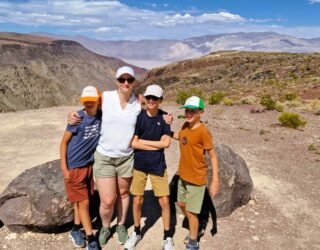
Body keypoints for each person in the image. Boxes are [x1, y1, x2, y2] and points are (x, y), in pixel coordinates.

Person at [69, 66, 172, 248]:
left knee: (124, 194)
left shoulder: (137, 103)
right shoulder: (106, 97)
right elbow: (90, 105)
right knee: (107, 200)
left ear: (134, 82)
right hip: (105, 156)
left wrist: (167, 118)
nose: (126, 83)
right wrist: (73, 115)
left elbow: (153, 109)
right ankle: (106, 227)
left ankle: (122, 225)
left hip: (126, 157)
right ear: (116, 81)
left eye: (130, 80)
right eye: (122, 79)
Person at [124, 85, 175, 250]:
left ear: (160, 100)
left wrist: (142, 143)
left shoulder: (165, 117)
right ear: (145, 98)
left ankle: (167, 237)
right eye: (149, 98)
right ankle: (137, 232)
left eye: (155, 98)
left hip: (157, 165)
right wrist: (157, 145)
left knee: (165, 201)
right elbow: (132, 142)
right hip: (139, 164)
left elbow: (166, 143)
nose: (151, 101)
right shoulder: (139, 117)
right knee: (137, 200)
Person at [171, 96, 219, 250]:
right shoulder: (185, 126)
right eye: (187, 110)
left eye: (193, 110)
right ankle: (196, 228)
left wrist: (215, 180)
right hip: (183, 176)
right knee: (181, 204)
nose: (189, 113)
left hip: (197, 179)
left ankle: (193, 242)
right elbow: (181, 137)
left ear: (201, 113)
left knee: (191, 213)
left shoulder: (203, 132)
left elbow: (212, 155)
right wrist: (167, 130)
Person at [60, 86, 101, 250]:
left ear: (98, 101)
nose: (89, 104)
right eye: (86, 102)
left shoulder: (101, 116)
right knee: (83, 202)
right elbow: (63, 143)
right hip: (74, 167)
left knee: (80, 201)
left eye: (92, 101)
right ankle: (91, 238)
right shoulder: (77, 118)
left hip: (88, 166)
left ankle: (76, 229)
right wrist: (64, 167)